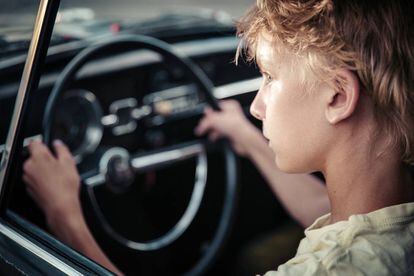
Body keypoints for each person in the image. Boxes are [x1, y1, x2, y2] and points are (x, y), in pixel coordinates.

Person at [23, 0, 414, 275]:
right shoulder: (386, 219)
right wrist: (247, 138)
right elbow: (323, 210)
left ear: (338, 96)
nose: (257, 107)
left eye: (270, 77)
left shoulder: (327, 270)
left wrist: (64, 216)